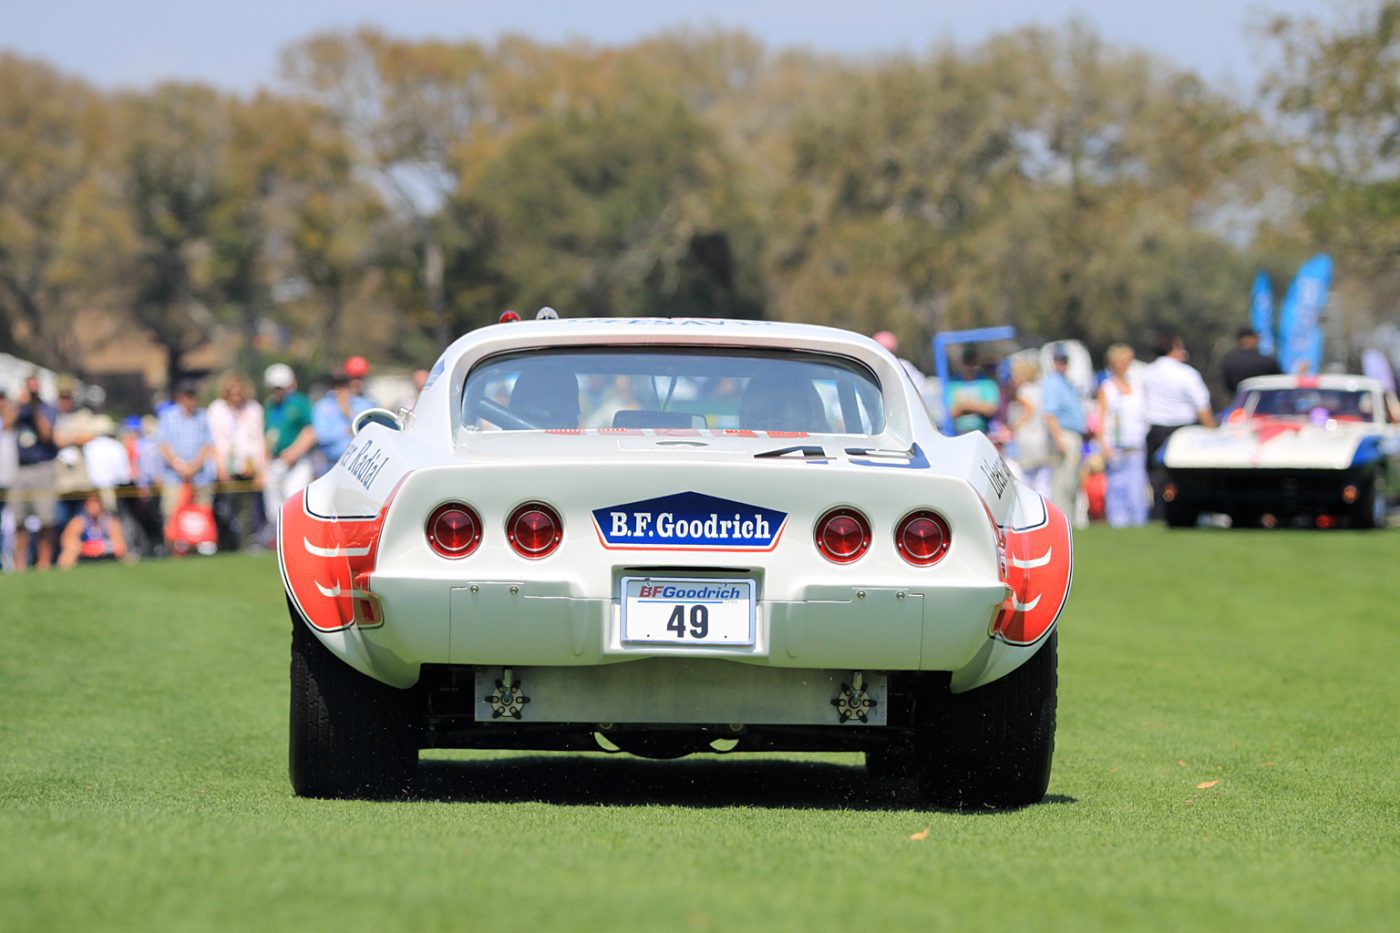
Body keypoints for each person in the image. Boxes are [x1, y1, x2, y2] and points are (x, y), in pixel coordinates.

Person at [1141, 334, 1216, 518]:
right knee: (1185, 478)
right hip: (1181, 432)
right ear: (1171, 350)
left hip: (1156, 431)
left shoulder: (1146, 373)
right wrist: (1213, 433)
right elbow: (1202, 406)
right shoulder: (1186, 373)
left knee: (1158, 480)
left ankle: (1159, 514)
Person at [2, 372, 60, 570]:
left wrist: (34, 407)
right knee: (19, 520)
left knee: (46, 518)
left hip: (42, 467)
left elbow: (46, 435)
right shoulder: (18, 408)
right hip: (20, 469)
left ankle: (44, 562)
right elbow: (6, 425)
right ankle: (20, 564)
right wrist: (19, 404)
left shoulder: (47, 408)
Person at [207, 370, 266, 551]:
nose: (236, 397)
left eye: (239, 392)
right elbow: (213, 440)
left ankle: (246, 544)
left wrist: (261, 470)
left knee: (247, 510)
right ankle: (225, 544)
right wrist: (220, 467)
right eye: (233, 393)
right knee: (225, 508)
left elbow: (258, 440)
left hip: (248, 467)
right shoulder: (217, 409)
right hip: (226, 466)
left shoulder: (254, 409)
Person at [1097, 343, 1150, 527]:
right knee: (1117, 490)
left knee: (1136, 491)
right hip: (1116, 446)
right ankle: (1118, 525)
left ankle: (1138, 524)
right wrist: (1104, 444)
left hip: (1135, 445)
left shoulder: (1137, 386)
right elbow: (1102, 418)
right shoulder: (1107, 388)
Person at [156, 378, 217, 533]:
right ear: (180, 397)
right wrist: (179, 465)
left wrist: (194, 467)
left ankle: (200, 545)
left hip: (200, 475)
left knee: (201, 513)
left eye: (193, 395)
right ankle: (174, 546)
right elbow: (163, 445)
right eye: (187, 395)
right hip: (174, 476)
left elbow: (207, 445)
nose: (191, 399)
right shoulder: (168, 417)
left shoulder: (203, 416)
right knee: (172, 512)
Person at [263, 364, 317, 531]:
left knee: (294, 499)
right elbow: (268, 434)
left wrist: (294, 452)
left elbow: (310, 431)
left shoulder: (300, 403)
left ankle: (299, 536)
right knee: (275, 505)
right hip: (277, 462)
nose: (277, 391)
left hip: (298, 462)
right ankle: (280, 537)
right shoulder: (270, 406)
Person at [1042, 345, 1088, 520]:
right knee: (1063, 482)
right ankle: (1063, 520)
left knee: (1071, 480)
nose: (1062, 364)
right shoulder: (1053, 383)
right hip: (1064, 434)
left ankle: (1070, 518)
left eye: (1064, 360)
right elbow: (1050, 413)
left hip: (1072, 434)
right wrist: (1058, 438)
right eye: (1059, 360)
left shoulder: (1065, 382)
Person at [1006, 356, 1053, 499]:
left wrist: (1013, 427)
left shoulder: (1023, 391)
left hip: (1027, 439)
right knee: (1043, 480)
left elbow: (1028, 410)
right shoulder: (1039, 390)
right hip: (1041, 438)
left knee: (1026, 479)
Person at [312, 369, 373, 470]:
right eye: (335, 385)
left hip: (357, 463)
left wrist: (348, 412)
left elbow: (368, 430)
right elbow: (321, 435)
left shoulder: (364, 404)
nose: (339, 389)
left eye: (343, 384)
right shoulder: (322, 406)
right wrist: (344, 431)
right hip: (331, 461)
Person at [58, 492, 130, 568]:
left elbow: (119, 543)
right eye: (91, 503)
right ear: (86, 505)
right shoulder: (79, 521)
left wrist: (101, 547)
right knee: (67, 556)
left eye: (96, 503)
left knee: (127, 557)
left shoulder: (110, 521)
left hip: (105, 551)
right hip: (84, 551)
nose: (94, 507)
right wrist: (83, 547)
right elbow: (67, 540)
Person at [947, 347, 1001, 435]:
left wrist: (964, 406)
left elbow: (991, 409)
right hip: (959, 433)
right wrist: (977, 406)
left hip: (983, 432)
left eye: (971, 362)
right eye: (966, 362)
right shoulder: (952, 384)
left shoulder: (987, 383)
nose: (969, 366)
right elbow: (951, 412)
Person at [1221, 327, 1281, 397]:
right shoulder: (1266, 361)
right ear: (1253, 339)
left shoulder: (1229, 361)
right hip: (1266, 404)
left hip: (1240, 403)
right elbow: (1279, 384)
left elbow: (1228, 386)